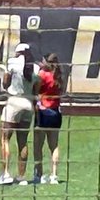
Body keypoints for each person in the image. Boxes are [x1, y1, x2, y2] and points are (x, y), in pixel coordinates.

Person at [0, 43, 38, 186]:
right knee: (23, 141)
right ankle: (21, 177)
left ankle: (5, 174)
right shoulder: (36, 68)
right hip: (28, 104)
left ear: (18, 52)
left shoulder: (12, 63)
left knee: (4, 138)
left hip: (14, 102)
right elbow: (36, 90)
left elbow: (5, 83)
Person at [33, 53, 64, 185]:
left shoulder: (43, 74)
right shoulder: (59, 76)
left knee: (38, 145)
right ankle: (54, 175)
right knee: (54, 145)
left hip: (43, 111)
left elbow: (36, 90)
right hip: (56, 111)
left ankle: (38, 174)